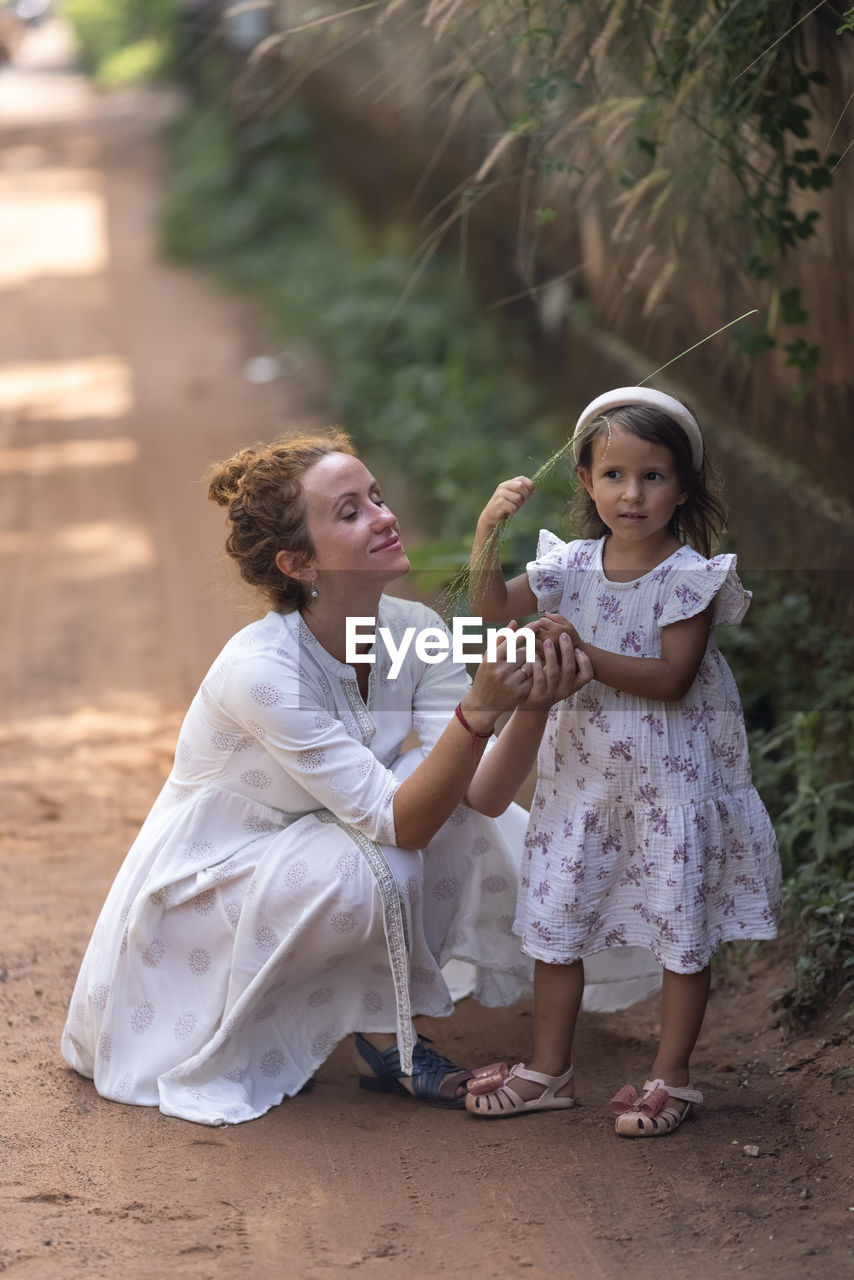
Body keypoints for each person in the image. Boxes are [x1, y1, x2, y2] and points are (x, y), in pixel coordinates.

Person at [61, 431, 592, 1126]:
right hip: (208, 891)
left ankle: (382, 1033)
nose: (383, 516)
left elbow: (483, 797)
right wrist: (480, 707)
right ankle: (322, 1032)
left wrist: (533, 705)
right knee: (385, 860)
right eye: (349, 512)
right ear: (298, 562)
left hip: (317, 853)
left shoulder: (413, 628)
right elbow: (401, 823)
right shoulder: (263, 670)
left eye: (376, 496)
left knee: (450, 808)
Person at [464, 386, 781, 1136]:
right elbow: (489, 611)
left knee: (681, 932)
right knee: (558, 921)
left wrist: (579, 652)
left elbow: (671, 680)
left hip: (671, 786)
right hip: (585, 787)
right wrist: (487, 532)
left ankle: (672, 1077)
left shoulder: (690, 579)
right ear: (585, 480)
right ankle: (549, 1069)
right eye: (613, 475)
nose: (631, 494)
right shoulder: (568, 567)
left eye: (653, 476)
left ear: (684, 487)